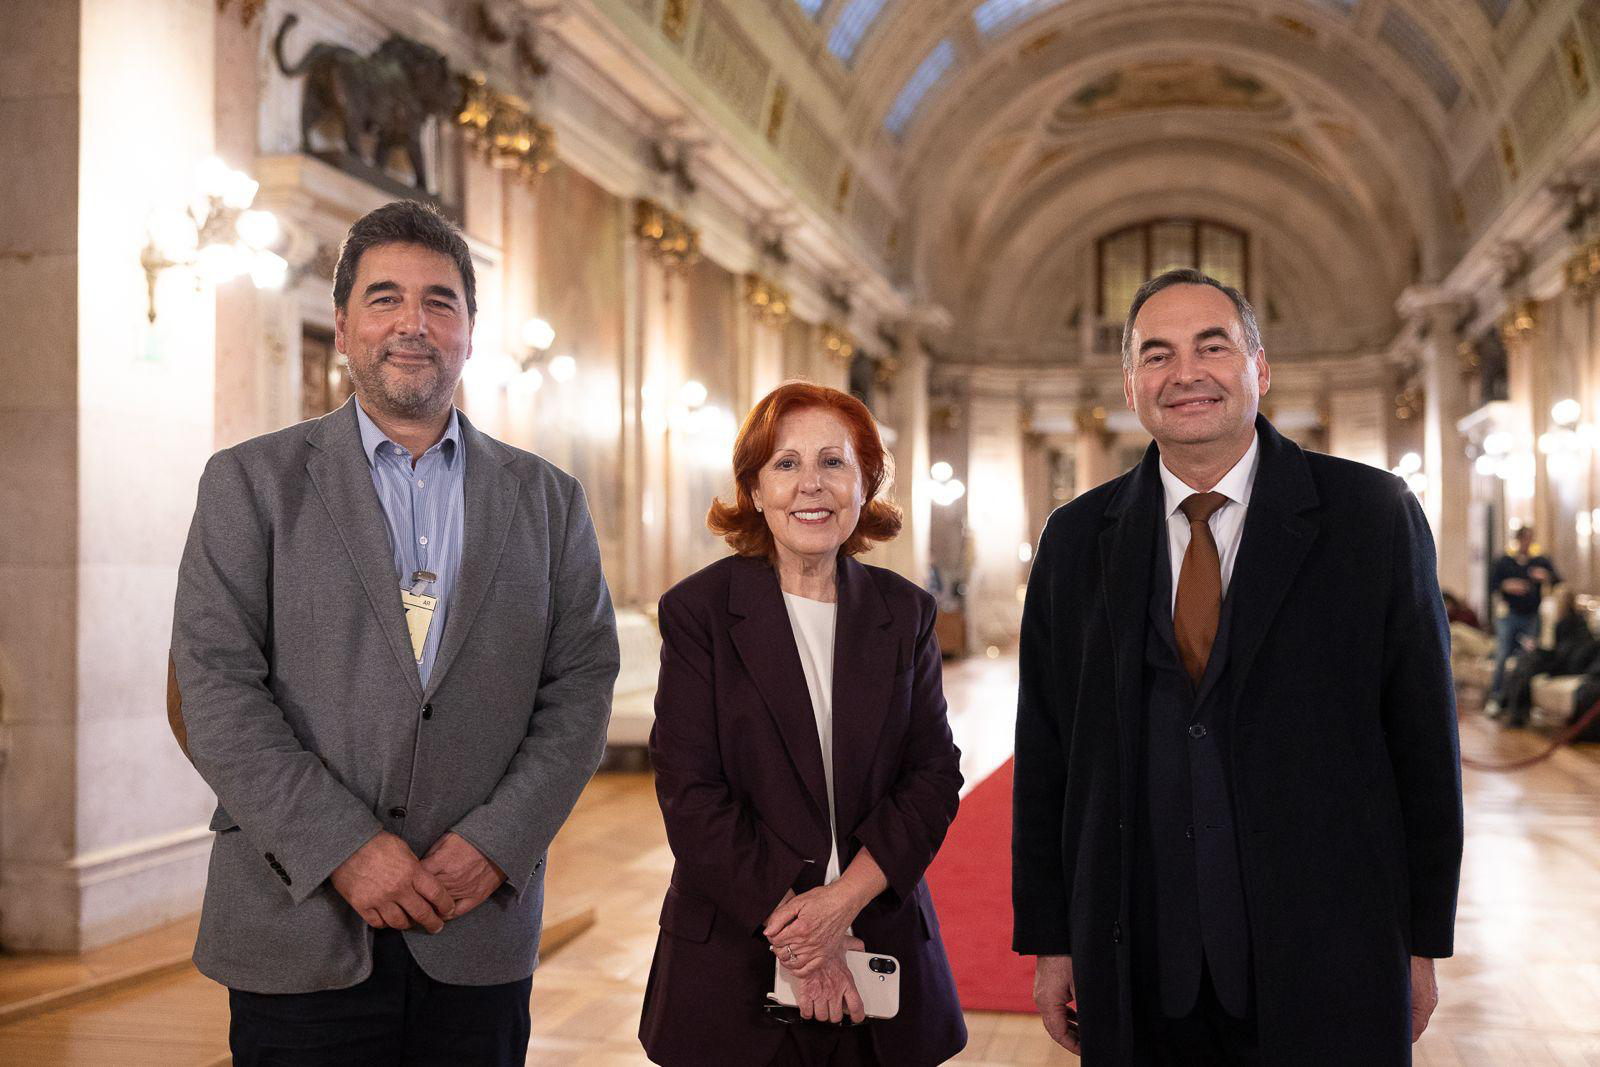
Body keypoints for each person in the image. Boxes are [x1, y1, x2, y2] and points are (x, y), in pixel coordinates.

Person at [168, 200, 619, 1065]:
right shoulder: (249, 484)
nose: (413, 324)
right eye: (385, 299)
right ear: (341, 325)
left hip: (476, 923)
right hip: (295, 920)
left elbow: (581, 687)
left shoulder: (549, 500)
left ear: (470, 333)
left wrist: (498, 842)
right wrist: (342, 847)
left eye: (440, 302)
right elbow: (214, 688)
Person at [1012, 268, 1463, 1064]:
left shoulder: (1372, 518)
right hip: (1139, 955)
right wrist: (1053, 937)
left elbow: (1425, 746)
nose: (1185, 372)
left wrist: (1422, 937)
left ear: (1259, 367)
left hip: (1327, 948)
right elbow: (1048, 754)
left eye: (1211, 346)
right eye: (1157, 354)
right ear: (1130, 385)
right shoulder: (1075, 539)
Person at [638, 382, 967, 1066]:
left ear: (865, 483)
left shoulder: (906, 612)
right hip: (733, 968)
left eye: (833, 462)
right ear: (755, 490)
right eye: (785, 464)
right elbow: (691, 793)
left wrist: (839, 905)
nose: (809, 485)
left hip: (880, 949)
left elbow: (934, 776)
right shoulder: (699, 611)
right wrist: (799, 932)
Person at [1494, 588, 1596, 727]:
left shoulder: (1570, 622)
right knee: (1526, 662)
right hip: (1564, 659)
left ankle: (1509, 708)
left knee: (1528, 664)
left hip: (1568, 663)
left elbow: (1566, 653)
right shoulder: (1566, 621)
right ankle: (1509, 706)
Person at [1485, 526, 1559, 717]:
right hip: (1509, 615)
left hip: (1531, 616)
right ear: (1518, 540)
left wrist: (1545, 576)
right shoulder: (1505, 561)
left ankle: (1521, 702)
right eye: (1524, 539)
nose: (1527, 542)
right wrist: (1507, 585)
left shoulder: (1540, 561)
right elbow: (1492, 584)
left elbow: (1558, 579)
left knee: (1529, 659)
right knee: (1503, 655)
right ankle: (1496, 698)